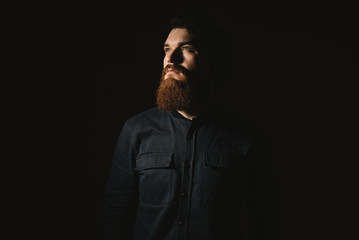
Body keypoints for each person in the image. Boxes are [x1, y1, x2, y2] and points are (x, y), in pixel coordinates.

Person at [103, 11, 279, 240]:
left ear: (212, 61)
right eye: (167, 49)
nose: (171, 59)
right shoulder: (136, 130)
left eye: (186, 48)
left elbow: (264, 222)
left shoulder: (246, 137)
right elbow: (116, 215)